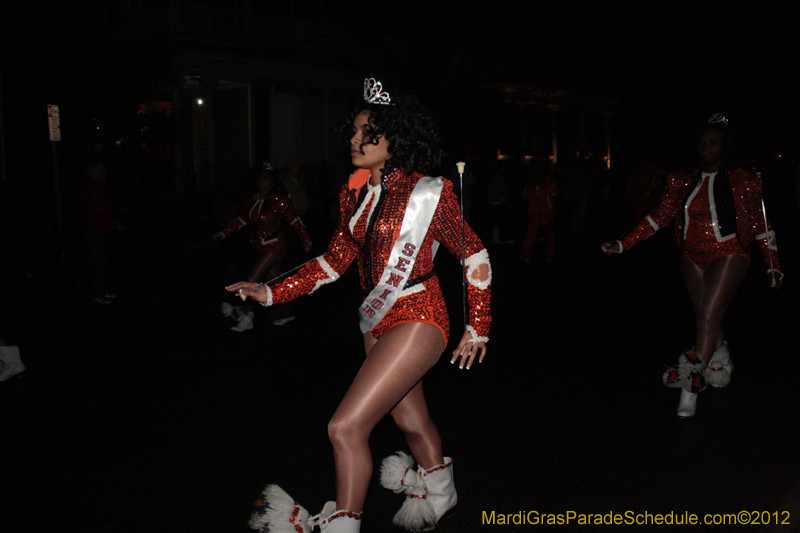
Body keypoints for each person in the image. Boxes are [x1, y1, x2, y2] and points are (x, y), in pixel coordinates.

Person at [227, 78, 492, 533]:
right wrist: (270, 292)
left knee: (345, 428)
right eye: (354, 130)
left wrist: (478, 326)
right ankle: (442, 492)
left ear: (396, 140)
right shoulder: (353, 192)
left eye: (368, 133)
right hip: (375, 318)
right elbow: (333, 262)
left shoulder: (430, 191)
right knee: (411, 419)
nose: (355, 139)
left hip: (420, 314)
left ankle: (343, 524)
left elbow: (475, 255)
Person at [601, 114, 783, 418]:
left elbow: (761, 225)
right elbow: (659, 217)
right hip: (690, 254)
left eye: (713, 142)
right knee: (706, 314)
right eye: (702, 142)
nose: (706, 147)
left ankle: (691, 384)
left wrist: (773, 266)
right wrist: (623, 243)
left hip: (730, 251)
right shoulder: (680, 178)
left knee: (709, 314)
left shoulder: (744, 179)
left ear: (725, 145)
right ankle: (721, 359)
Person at [215, 163, 313, 331]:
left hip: (274, 246)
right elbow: (243, 219)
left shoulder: (279, 200)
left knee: (252, 278)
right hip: (259, 246)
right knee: (277, 284)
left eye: (265, 178)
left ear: (272, 181)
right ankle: (287, 314)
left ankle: (247, 316)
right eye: (259, 178)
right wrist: (224, 233)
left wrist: (306, 239)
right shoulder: (254, 199)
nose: (260, 181)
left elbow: (295, 221)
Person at [518, 169, 558, 262]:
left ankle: (547, 254)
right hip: (538, 212)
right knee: (536, 234)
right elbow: (525, 196)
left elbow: (525, 197)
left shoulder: (548, 184)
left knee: (547, 234)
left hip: (542, 212)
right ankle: (526, 254)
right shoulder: (532, 185)